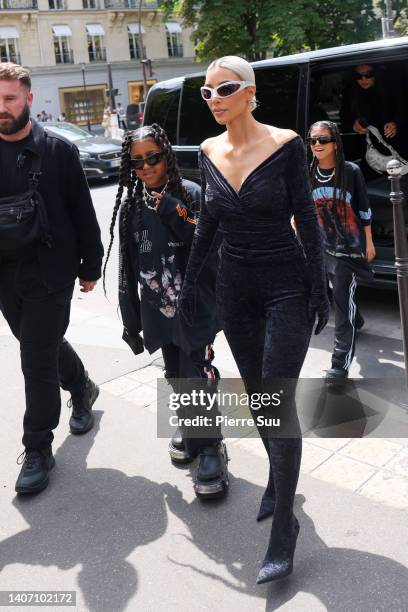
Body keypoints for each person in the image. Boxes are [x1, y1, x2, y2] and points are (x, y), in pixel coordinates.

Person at [179, 56, 329, 583]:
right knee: (259, 400)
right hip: (235, 286)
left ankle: (283, 527)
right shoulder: (207, 150)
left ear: (250, 92)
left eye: (224, 88)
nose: (214, 98)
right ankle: (278, 481)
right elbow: (207, 227)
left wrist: (320, 284)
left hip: (286, 282)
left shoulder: (286, 144)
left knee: (277, 398)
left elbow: (306, 216)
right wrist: (187, 289)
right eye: (207, 92)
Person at [103, 123, 229, 499]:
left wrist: (176, 211)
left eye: (153, 158)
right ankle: (191, 429)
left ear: (168, 157)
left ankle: (210, 447)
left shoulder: (190, 195)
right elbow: (127, 270)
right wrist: (131, 321)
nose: (146, 167)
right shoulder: (132, 208)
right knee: (176, 375)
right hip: (158, 312)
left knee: (197, 375)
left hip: (196, 310)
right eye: (137, 162)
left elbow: (211, 236)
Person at [0, 63, 104, 494]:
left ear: (29, 99)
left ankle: (38, 447)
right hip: (6, 273)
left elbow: (82, 210)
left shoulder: (59, 150)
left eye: (8, 99)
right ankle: (83, 387)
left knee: (35, 360)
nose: (1, 109)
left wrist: (91, 265)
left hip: (51, 271)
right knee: (35, 343)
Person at [307, 120, 376, 384]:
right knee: (340, 297)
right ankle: (355, 316)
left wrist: (369, 242)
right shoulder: (309, 173)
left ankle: (339, 365)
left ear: (335, 142)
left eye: (323, 140)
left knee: (341, 303)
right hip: (323, 247)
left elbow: (364, 209)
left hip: (348, 249)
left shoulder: (351, 171)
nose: (317, 145)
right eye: (312, 140)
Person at [340, 64, 404, 174]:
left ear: (376, 74)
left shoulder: (391, 91)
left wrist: (395, 123)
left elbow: (403, 111)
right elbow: (344, 119)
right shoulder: (350, 95)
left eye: (369, 74)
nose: (363, 79)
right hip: (368, 154)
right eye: (358, 76)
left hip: (396, 150)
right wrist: (353, 125)